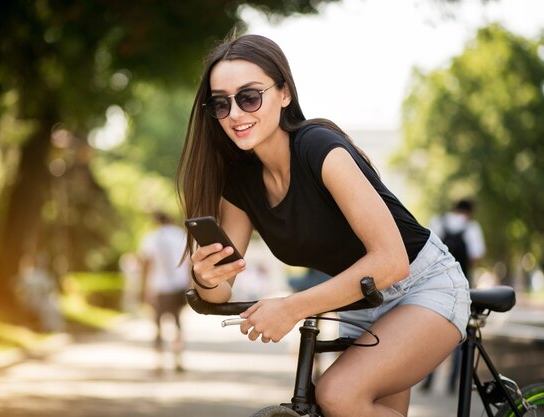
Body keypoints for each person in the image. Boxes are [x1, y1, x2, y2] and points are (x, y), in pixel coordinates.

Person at [176, 33, 471, 417]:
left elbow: (391, 261)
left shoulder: (319, 148)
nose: (234, 113)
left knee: (337, 395)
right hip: (361, 303)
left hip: (424, 284)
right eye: (220, 103)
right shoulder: (241, 182)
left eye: (249, 97)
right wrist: (207, 278)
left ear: (284, 93)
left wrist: (291, 308)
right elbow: (222, 288)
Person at [421, 198, 486, 394]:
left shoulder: (438, 221)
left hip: (436, 285)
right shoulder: (472, 227)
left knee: (431, 333)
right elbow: (477, 256)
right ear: (470, 211)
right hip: (462, 286)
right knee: (459, 333)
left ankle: (427, 378)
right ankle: (451, 383)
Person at [139, 210, 190, 373]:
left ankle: (158, 362)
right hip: (178, 286)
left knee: (157, 324)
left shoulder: (151, 238)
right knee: (177, 323)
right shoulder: (181, 236)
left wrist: (145, 288)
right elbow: (189, 263)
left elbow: (148, 265)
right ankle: (178, 359)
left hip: (159, 286)